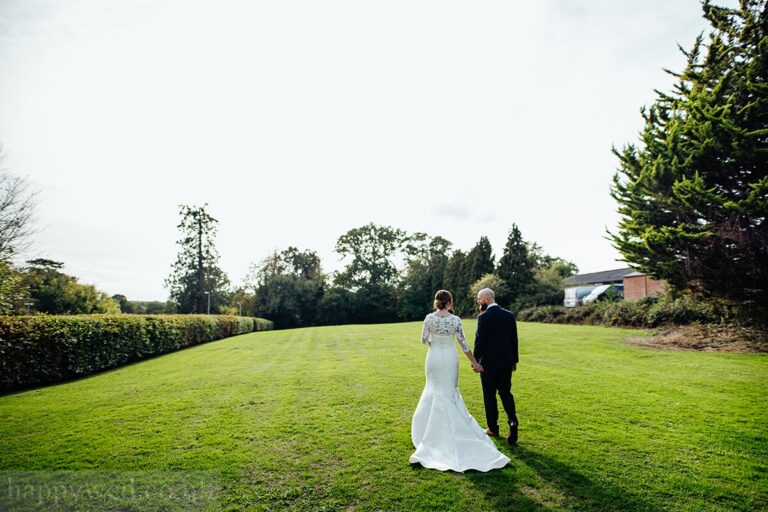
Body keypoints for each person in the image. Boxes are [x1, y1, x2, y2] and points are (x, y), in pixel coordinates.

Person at [409, 290, 510, 472]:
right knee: (449, 391)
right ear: (449, 302)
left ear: (437, 302)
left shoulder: (429, 318)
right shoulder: (455, 320)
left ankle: (427, 432)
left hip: (433, 358)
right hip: (449, 357)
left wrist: (434, 343)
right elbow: (464, 344)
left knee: (432, 389)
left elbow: (424, 339)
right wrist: (475, 363)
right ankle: (454, 430)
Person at [474, 288, 520, 445]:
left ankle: (493, 428)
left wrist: (475, 361)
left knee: (489, 395)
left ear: (487, 300)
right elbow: (514, 340)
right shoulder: (509, 315)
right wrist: (514, 361)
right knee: (505, 392)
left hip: (488, 363)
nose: (478, 302)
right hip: (506, 362)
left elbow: (480, 341)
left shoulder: (483, 317)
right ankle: (512, 420)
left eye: (479, 299)